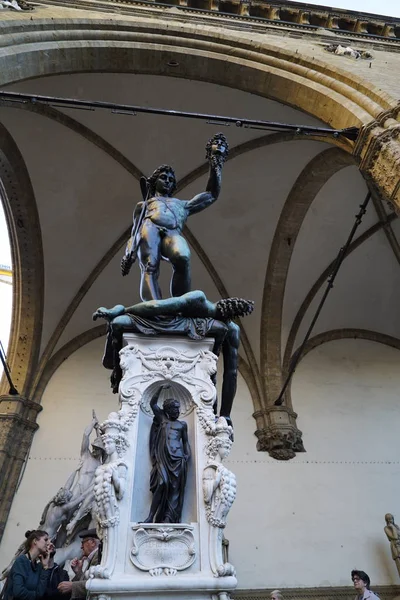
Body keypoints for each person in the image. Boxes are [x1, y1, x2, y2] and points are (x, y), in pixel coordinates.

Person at [93, 290, 254, 421]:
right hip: (165, 321)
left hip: (188, 339)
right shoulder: (199, 300)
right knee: (118, 322)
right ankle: (115, 360)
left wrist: (224, 415)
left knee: (119, 322)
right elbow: (155, 307)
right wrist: (121, 311)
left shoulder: (229, 328)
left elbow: (231, 374)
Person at [121, 133, 228, 301]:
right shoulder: (144, 206)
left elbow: (211, 194)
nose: (168, 181)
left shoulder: (182, 205)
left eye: (171, 179)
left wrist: (216, 162)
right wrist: (128, 253)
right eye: (163, 178)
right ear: (154, 182)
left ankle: (180, 304)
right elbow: (134, 233)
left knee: (182, 257)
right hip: (149, 228)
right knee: (150, 266)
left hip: (172, 233)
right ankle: (154, 309)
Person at [143, 384, 191, 523]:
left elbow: (185, 442)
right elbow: (152, 403)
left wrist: (187, 455)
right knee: (161, 484)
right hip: (163, 458)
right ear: (168, 410)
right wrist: (159, 389)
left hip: (178, 459)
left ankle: (169, 518)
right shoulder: (162, 419)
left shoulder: (182, 425)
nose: (177, 411)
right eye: (175, 409)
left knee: (175, 490)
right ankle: (151, 517)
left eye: (178, 409)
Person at [3, 530, 50, 600]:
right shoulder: (21, 561)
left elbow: (41, 592)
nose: (48, 543)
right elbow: (18, 591)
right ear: (35, 541)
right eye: (45, 540)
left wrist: (45, 567)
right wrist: (36, 596)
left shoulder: (38, 566)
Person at [57, 530, 100, 600]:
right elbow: (88, 581)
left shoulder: (98, 556)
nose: (81, 547)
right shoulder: (94, 557)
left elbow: (96, 584)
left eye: (83, 543)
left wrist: (72, 586)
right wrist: (78, 571)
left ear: (92, 542)